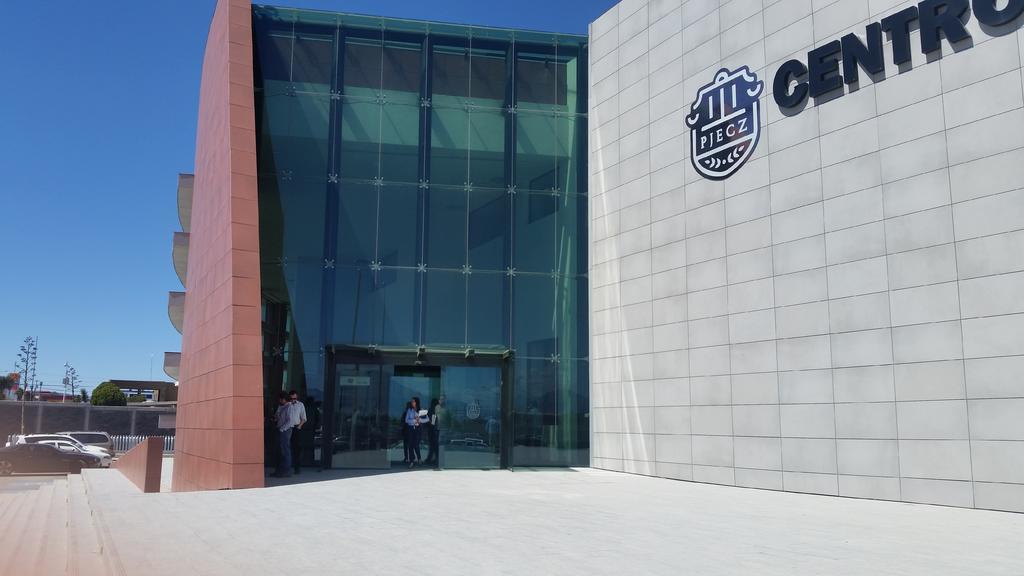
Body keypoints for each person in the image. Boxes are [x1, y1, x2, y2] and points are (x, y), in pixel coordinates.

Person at [273, 392, 299, 477]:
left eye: (281, 399)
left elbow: (290, 421)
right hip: (280, 429)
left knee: (285, 450)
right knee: (280, 450)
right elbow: (277, 417)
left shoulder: (289, 407)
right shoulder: (282, 407)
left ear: (284, 399)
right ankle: (279, 470)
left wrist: (282, 429)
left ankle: (286, 470)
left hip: (286, 430)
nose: (279, 401)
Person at [288, 390, 307, 475]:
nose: (293, 400)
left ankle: (297, 468)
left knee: (296, 449)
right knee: (286, 448)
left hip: (296, 427)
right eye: (291, 398)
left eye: (294, 398)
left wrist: (299, 426)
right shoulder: (287, 405)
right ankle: (287, 467)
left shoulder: (300, 405)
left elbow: (304, 418)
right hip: (287, 427)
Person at [425, 398, 440, 466]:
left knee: (433, 445)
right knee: (434, 446)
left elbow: (432, 421)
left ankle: (432, 459)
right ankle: (433, 459)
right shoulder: (435, 410)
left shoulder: (432, 410)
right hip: (434, 430)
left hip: (432, 430)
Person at [403, 401, 417, 467]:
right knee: (410, 445)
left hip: (416, 430)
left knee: (413, 444)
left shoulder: (417, 410)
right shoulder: (409, 411)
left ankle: (412, 458)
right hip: (409, 430)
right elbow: (406, 420)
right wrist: (413, 421)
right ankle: (411, 460)